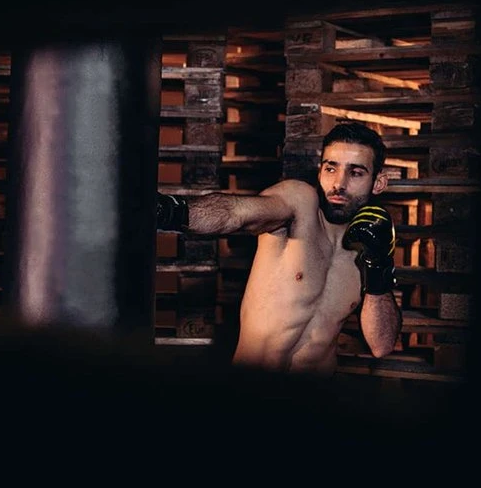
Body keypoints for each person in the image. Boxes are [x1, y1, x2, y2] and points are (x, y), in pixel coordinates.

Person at [156, 120, 403, 375]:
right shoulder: (298, 203)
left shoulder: (372, 241)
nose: (339, 183)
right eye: (331, 168)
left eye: (356, 173)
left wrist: (378, 267)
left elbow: (381, 346)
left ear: (378, 183)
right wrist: (168, 211)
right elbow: (235, 212)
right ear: (320, 171)